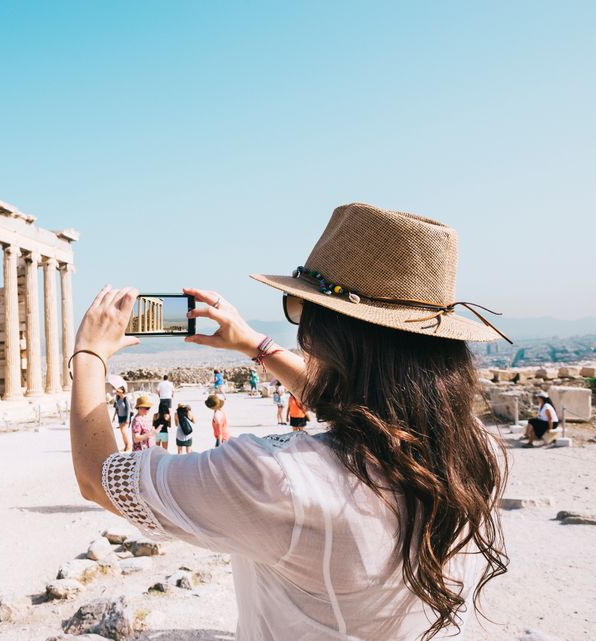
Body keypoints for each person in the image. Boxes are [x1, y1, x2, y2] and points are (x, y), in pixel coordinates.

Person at [69, 203, 511, 641]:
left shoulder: (277, 478)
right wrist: (254, 345)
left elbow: (97, 477)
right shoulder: (476, 453)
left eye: (300, 308)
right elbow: (363, 403)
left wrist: (89, 356)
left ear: (327, 333)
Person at [111, 387, 133, 452]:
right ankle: (125, 445)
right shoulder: (117, 398)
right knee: (122, 433)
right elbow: (116, 408)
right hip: (120, 417)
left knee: (124, 431)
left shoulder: (125, 398)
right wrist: (114, 416)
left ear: (122, 391)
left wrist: (128, 419)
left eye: (118, 390)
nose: (117, 392)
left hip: (125, 417)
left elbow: (129, 409)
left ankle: (129, 445)